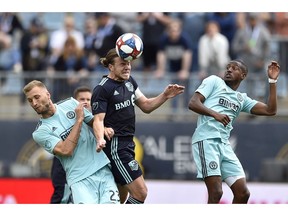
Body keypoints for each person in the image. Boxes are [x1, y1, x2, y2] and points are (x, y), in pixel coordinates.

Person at [91, 48, 185, 204]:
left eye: (129, 63)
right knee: (140, 193)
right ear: (111, 67)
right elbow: (98, 120)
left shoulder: (130, 82)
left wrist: (165, 95)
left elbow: (146, 105)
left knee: (120, 198)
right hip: (116, 147)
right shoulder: (102, 88)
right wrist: (100, 138)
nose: (127, 67)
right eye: (122, 64)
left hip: (128, 144)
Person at [188, 59, 280, 203]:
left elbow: (271, 110)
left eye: (234, 68)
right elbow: (193, 103)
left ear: (243, 75)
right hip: (206, 140)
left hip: (224, 145)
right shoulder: (214, 81)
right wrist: (215, 114)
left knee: (243, 193)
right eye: (228, 67)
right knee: (216, 192)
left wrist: (272, 81)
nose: (229, 70)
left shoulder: (241, 99)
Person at [23, 80, 120, 204]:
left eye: (36, 97)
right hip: (79, 180)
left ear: (48, 94)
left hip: (102, 168)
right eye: (30, 100)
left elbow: (94, 122)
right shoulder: (40, 132)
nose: (34, 103)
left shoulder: (70, 103)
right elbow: (66, 150)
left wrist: (104, 129)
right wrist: (79, 120)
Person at [50, 86, 93, 204]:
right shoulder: (65, 120)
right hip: (64, 167)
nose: (85, 102)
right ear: (74, 102)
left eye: (88, 99)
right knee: (62, 198)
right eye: (81, 99)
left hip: (85, 170)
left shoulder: (97, 122)